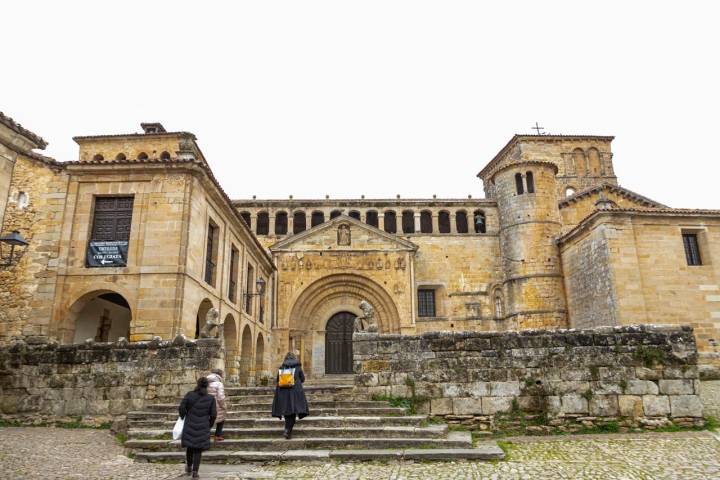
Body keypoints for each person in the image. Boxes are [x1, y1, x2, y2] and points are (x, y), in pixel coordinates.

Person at [179, 377, 217, 478]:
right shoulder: (211, 398)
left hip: (189, 424)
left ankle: (189, 467)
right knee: (198, 450)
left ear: (197, 384)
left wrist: (183, 416)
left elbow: (182, 408)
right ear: (207, 386)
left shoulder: (189, 395)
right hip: (203, 425)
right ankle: (195, 472)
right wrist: (209, 425)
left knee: (190, 447)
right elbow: (213, 415)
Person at [271, 351, 309, 439]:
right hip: (295, 391)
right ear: (294, 358)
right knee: (293, 412)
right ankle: (287, 430)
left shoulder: (282, 367)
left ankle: (287, 430)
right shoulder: (298, 366)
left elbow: (278, 380)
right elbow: (303, 379)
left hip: (283, 392)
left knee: (287, 412)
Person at [206, 369, 227, 441]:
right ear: (220, 375)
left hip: (206, 405)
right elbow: (220, 397)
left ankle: (204, 434)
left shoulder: (205, 382)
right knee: (221, 419)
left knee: (208, 420)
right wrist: (224, 406)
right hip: (216, 405)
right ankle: (218, 435)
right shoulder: (219, 384)